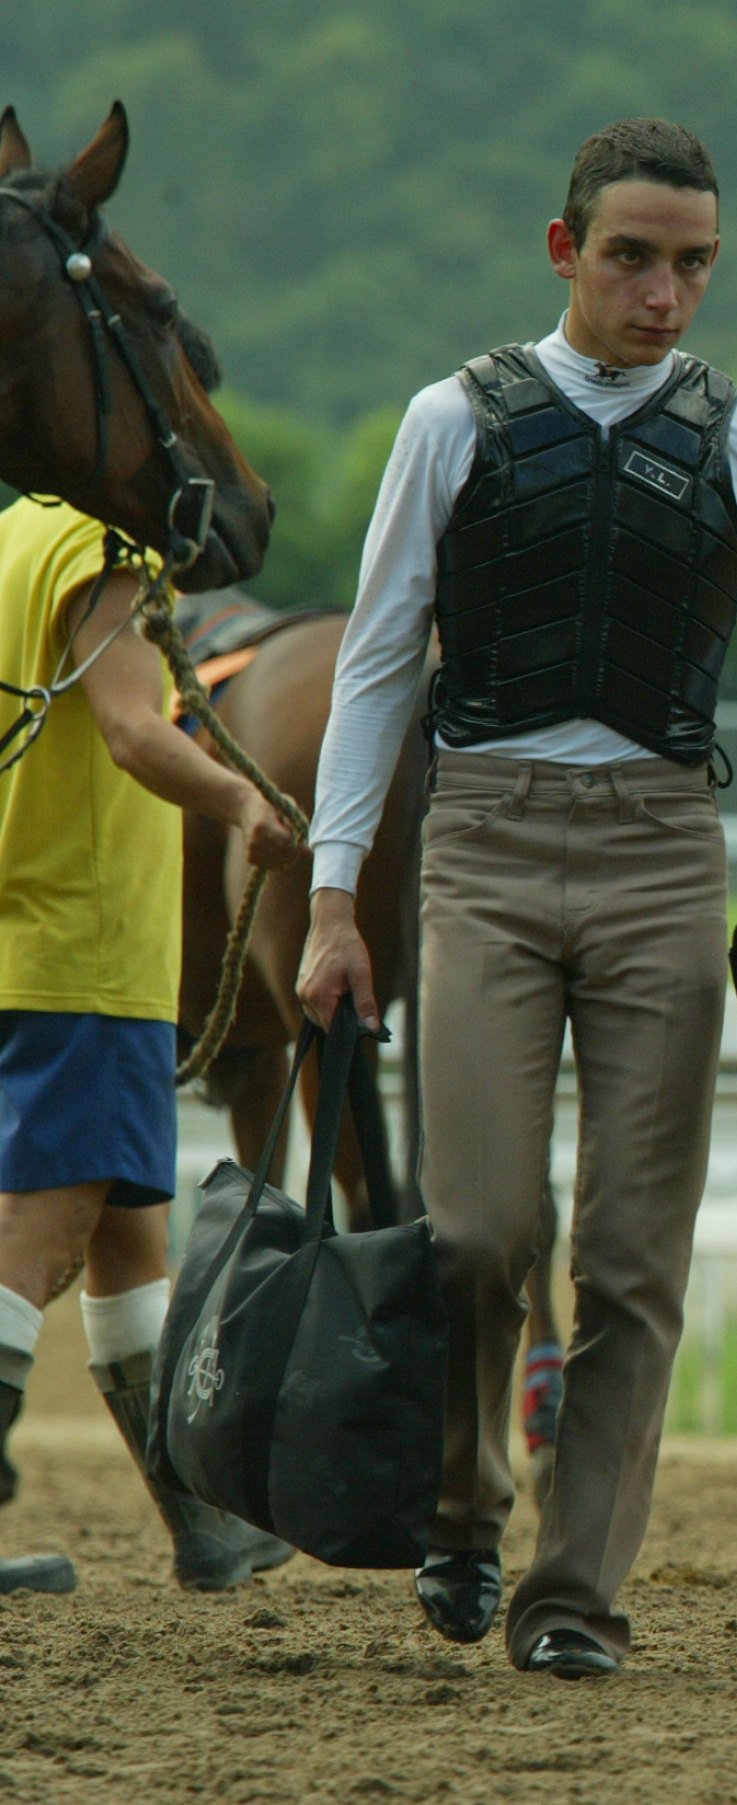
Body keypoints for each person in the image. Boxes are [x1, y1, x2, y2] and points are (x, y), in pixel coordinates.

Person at [297, 118, 737, 1680]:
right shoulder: (454, 419)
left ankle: (573, 1596)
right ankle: (461, 1495)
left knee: (635, 1258)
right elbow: (377, 666)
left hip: (661, 852)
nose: (665, 293)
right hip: (483, 842)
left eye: (694, 264)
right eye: (634, 257)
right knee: (478, 1230)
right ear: (565, 250)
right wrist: (328, 899)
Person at [0, 498, 299, 1592]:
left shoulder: (15, 534)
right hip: (91, 946)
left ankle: (203, 1524)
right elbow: (132, 729)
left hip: (31, 936)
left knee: (129, 1239)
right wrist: (243, 799)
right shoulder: (105, 546)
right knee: (46, 1233)